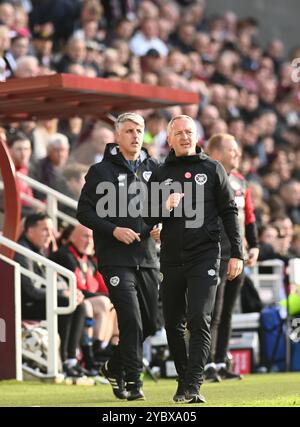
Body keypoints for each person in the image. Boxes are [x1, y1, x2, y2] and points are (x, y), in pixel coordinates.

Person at [144, 115, 243, 403]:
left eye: (190, 132)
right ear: (169, 139)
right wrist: (164, 206)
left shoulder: (212, 168)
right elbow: (148, 218)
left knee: (200, 317)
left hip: (206, 255)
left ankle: (193, 385)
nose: (185, 137)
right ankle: (185, 379)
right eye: (179, 133)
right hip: (172, 257)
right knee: (173, 322)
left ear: (196, 136)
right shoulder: (161, 173)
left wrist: (236, 252)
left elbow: (229, 211)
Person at [77, 112, 160, 401]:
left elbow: (161, 211)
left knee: (151, 323)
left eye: (139, 130)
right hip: (115, 258)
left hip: (148, 256)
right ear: (117, 136)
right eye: (129, 131)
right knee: (131, 320)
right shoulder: (100, 172)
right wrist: (113, 230)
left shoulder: (155, 168)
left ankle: (113, 366)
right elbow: (84, 212)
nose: (136, 136)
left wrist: (160, 226)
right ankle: (134, 383)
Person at [205, 133, 259, 381]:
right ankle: (205, 364)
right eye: (231, 149)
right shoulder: (205, 178)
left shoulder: (241, 181)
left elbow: (249, 217)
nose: (237, 154)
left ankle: (219, 361)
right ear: (216, 152)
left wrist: (254, 245)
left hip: (238, 254)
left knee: (227, 312)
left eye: (237, 150)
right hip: (214, 253)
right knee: (211, 312)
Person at [15, 213, 88, 377]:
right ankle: (61, 361)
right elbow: (30, 291)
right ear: (30, 231)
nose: (50, 234)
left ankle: (71, 360)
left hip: (39, 301)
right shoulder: (22, 251)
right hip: (25, 305)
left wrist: (69, 292)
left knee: (78, 304)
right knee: (64, 302)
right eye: (45, 230)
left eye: (51, 230)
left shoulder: (38, 250)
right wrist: (62, 292)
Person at [50, 223, 119, 372]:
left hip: (82, 298)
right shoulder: (64, 256)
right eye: (85, 236)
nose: (89, 240)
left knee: (114, 303)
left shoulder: (88, 260)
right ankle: (92, 355)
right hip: (68, 298)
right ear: (72, 237)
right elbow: (76, 287)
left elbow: (100, 286)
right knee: (100, 302)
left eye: (91, 237)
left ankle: (105, 350)